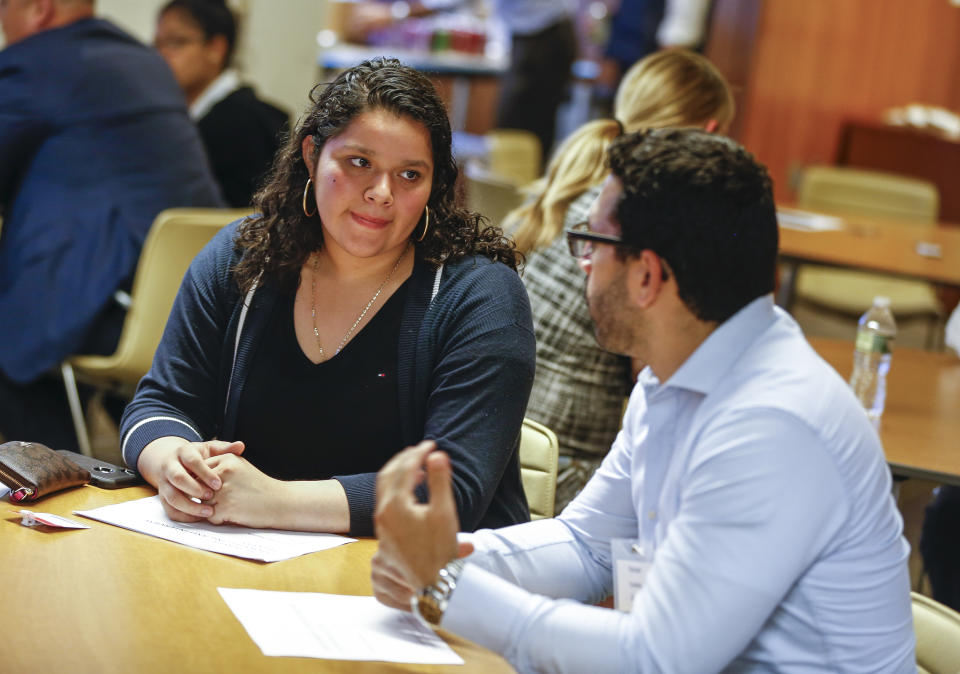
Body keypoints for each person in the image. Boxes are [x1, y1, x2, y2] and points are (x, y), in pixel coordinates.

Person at [371, 129, 916, 672]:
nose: (582, 262)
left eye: (593, 244)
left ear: (647, 276)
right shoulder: (678, 373)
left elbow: (656, 658)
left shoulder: (769, 422)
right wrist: (445, 555)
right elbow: (589, 545)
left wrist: (448, 585)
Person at [119, 57, 535, 537]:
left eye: (409, 175)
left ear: (435, 184)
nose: (381, 192)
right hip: (251, 565)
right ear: (313, 156)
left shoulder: (480, 298)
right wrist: (174, 460)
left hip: (425, 589)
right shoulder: (241, 259)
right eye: (360, 163)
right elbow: (160, 404)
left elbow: (450, 491)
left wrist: (272, 502)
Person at [508, 48, 733, 510]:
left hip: (505, 441)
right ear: (710, 134)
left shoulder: (582, 181)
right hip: (568, 474)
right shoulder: (640, 218)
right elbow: (661, 368)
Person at [0, 0, 223, 451]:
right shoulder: (146, 62)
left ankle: (45, 488)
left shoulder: (40, 63)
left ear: (39, 9)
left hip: (102, 305)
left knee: (13, 345)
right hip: (183, 301)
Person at [348, 0, 576, 160]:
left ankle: (520, 220)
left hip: (543, 39)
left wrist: (396, 14)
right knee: (514, 141)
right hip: (533, 36)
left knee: (518, 144)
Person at [154, 0, 289, 208]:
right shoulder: (189, 117)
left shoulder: (243, 122)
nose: (160, 55)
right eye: (156, 44)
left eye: (175, 42)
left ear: (216, 48)